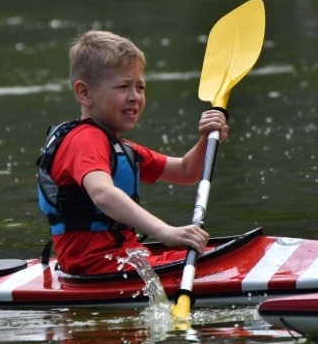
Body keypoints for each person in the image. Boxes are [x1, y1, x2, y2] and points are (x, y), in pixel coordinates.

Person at [36, 30, 228, 276]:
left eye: (140, 87)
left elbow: (186, 172)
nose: (134, 97)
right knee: (217, 265)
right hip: (97, 265)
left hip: (123, 258)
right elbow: (102, 193)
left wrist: (206, 138)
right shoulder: (85, 140)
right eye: (123, 87)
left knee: (219, 254)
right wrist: (165, 232)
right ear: (84, 93)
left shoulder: (115, 144)